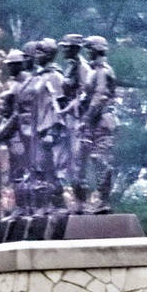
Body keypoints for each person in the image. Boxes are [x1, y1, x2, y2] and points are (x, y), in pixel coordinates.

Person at [24, 38, 67, 213]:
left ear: (49, 55)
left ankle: (58, 204)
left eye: (40, 53)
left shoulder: (55, 76)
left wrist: (54, 130)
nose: (36, 56)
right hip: (37, 128)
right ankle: (44, 205)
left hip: (49, 129)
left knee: (50, 169)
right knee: (38, 168)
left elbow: (59, 105)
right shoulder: (39, 76)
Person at [77, 35, 118, 214]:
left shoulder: (102, 71)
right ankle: (97, 200)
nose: (87, 52)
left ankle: (103, 200)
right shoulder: (95, 71)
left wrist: (86, 119)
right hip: (96, 121)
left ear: (97, 49)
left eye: (90, 48)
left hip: (102, 120)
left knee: (100, 159)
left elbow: (99, 96)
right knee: (92, 160)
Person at [0, 49, 31, 218]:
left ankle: (27, 206)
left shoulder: (27, 83)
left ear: (18, 65)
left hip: (24, 135)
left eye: (11, 65)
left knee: (22, 172)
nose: (9, 69)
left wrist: (2, 131)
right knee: (16, 172)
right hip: (14, 134)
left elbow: (18, 114)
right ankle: (21, 206)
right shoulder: (15, 84)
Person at [57, 34, 93, 212]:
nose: (63, 50)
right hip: (69, 120)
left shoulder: (83, 68)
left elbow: (85, 96)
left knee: (78, 164)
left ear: (75, 48)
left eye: (66, 47)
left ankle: (82, 203)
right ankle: (77, 203)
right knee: (67, 164)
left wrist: (69, 107)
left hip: (79, 121)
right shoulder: (70, 67)